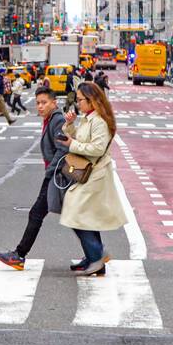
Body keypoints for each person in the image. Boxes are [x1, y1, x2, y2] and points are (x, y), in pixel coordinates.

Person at [0, 86, 70, 271]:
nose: (40, 106)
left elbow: (63, 148)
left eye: (44, 103)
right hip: (55, 174)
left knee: (37, 213)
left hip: (56, 176)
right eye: (38, 103)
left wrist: (51, 170)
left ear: (54, 102)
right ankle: (97, 251)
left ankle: (19, 255)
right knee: (72, 214)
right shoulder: (50, 119)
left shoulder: (57, 120)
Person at [54, 82, 126, 277]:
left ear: (92, 100)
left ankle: (97, 254)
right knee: (88, 216)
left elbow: (97, 149)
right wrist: (69, 125)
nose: (77, 104)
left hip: (96, 173)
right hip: (89, 173)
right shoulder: (88, 119)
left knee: (75, 210)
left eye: (80, 100)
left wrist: (72, 144)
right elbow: (79, 138)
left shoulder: (99, 121)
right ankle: (94, 257)